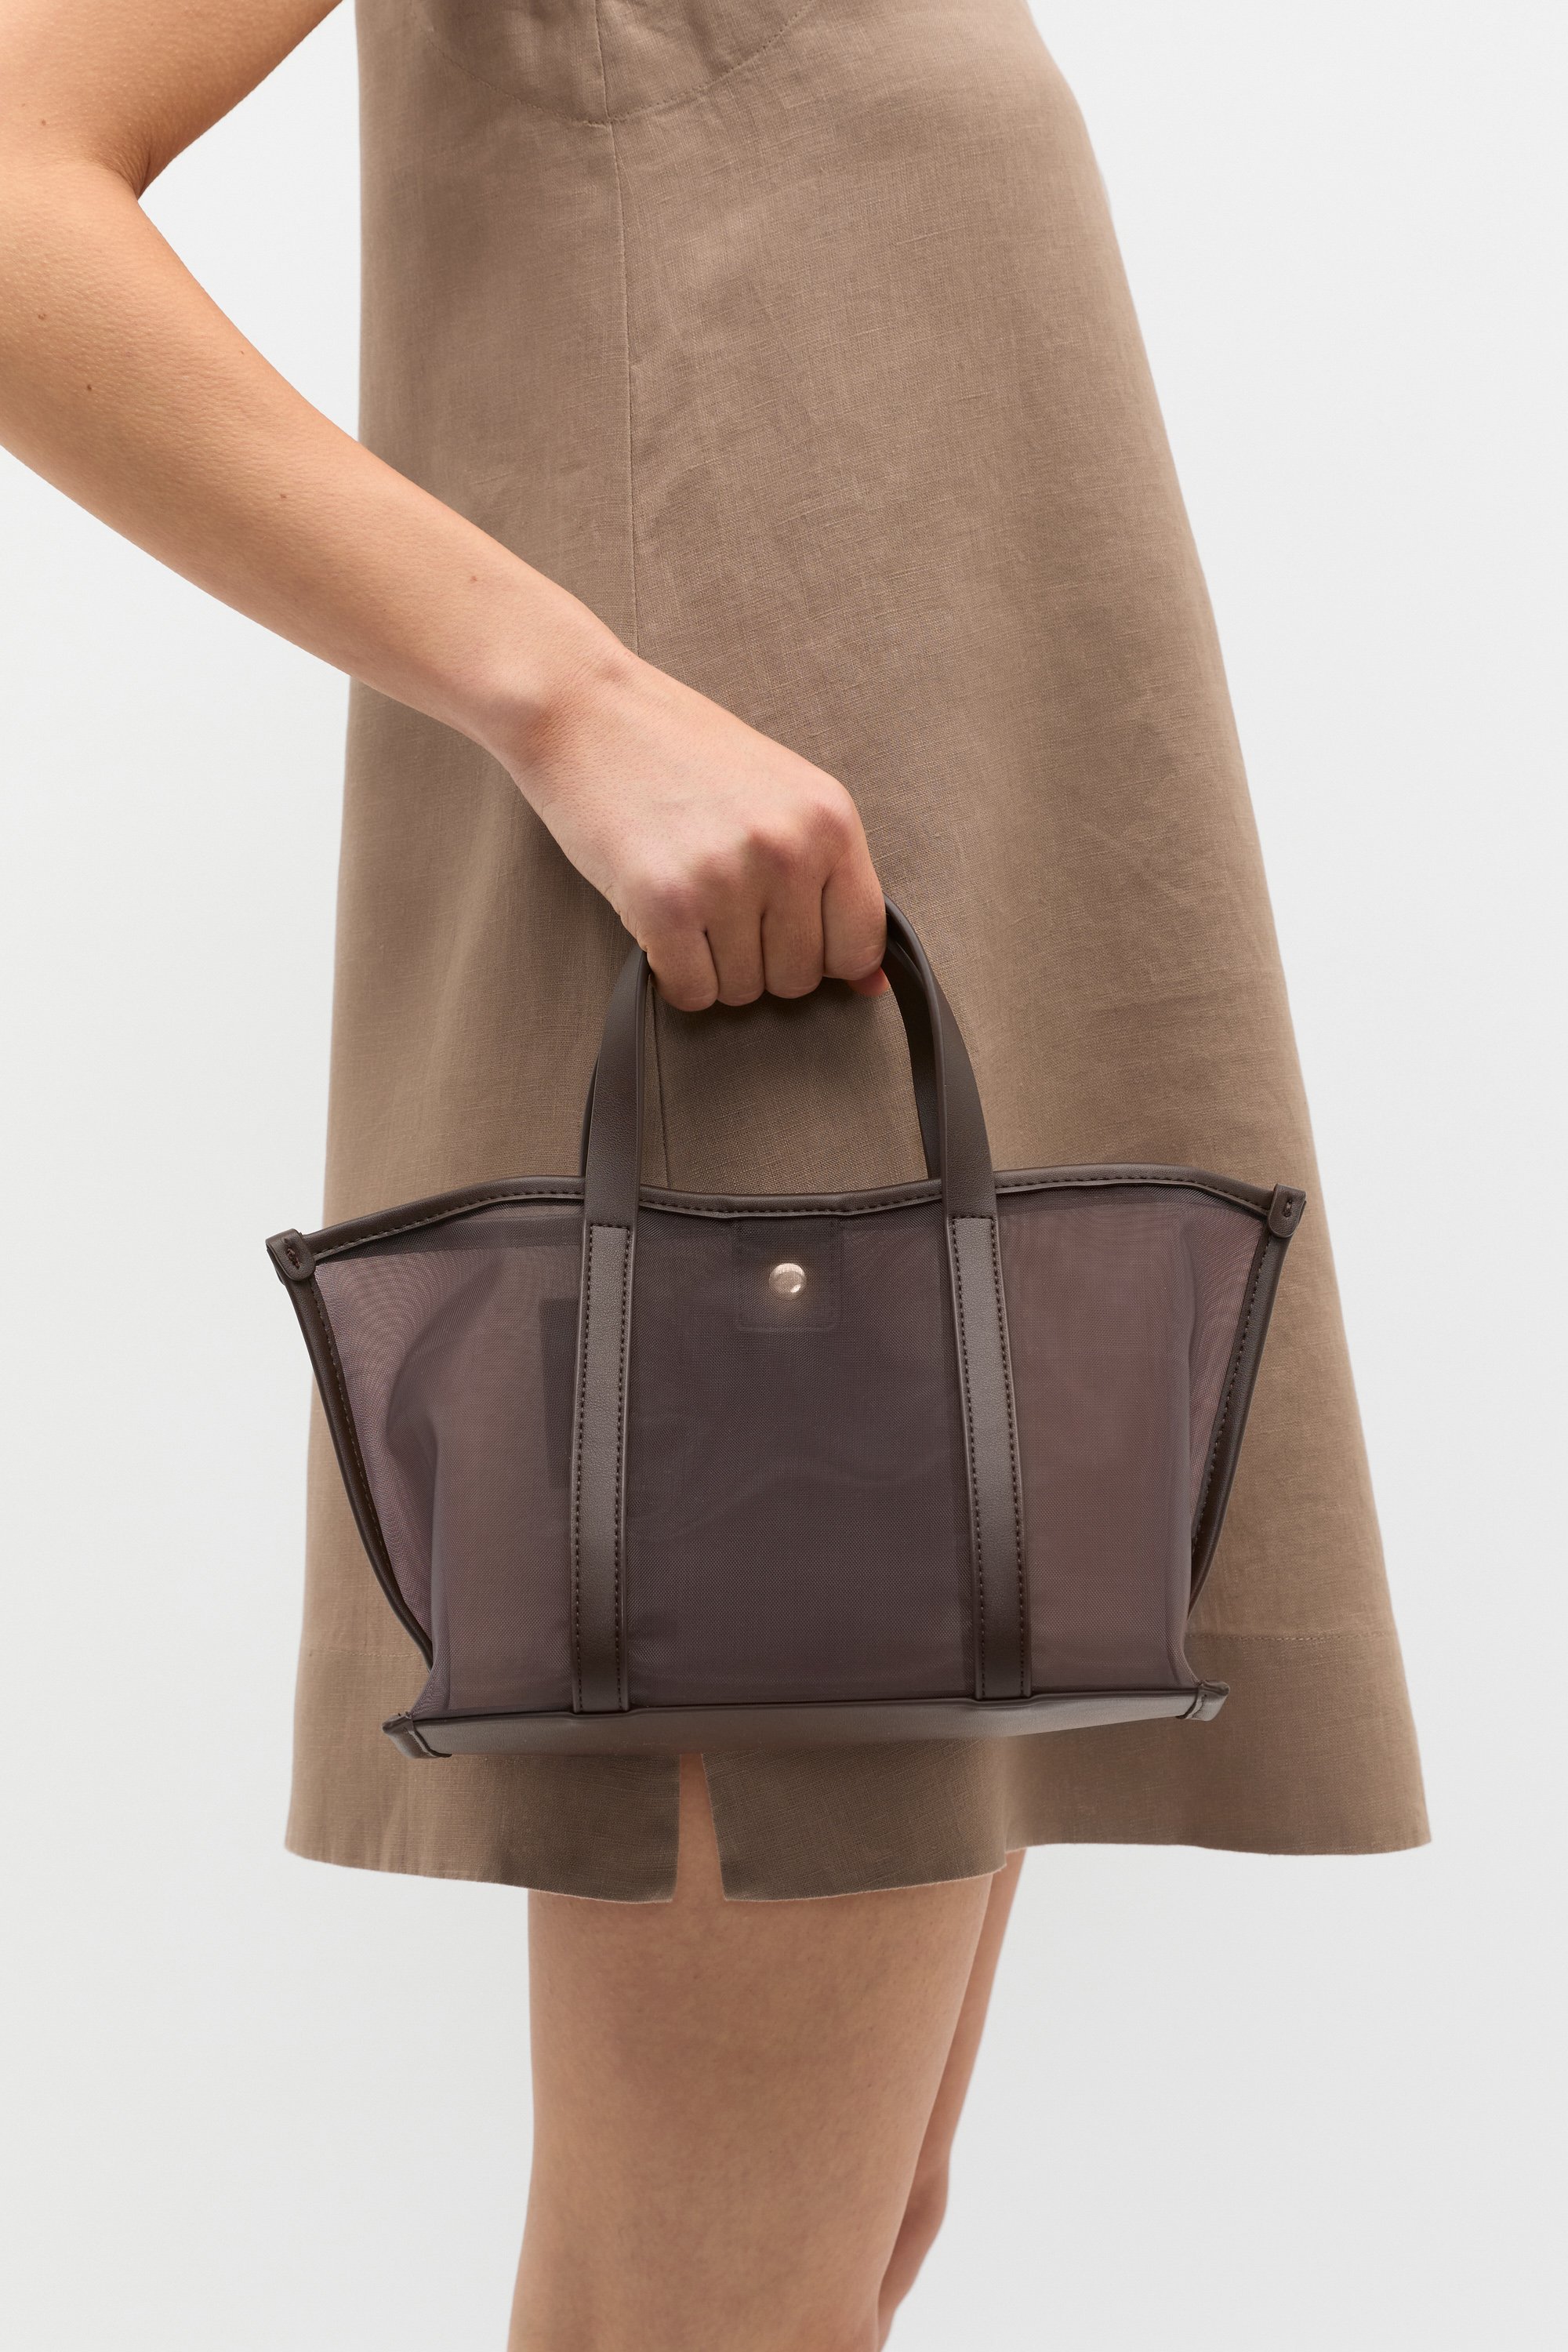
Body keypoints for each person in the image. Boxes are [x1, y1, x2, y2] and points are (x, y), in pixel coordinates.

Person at [0, 2, 1427, 2343]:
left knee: (833, 2248)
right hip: (754, 1055)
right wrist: (570, 697)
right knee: (711, 2303)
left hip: (932, 995)